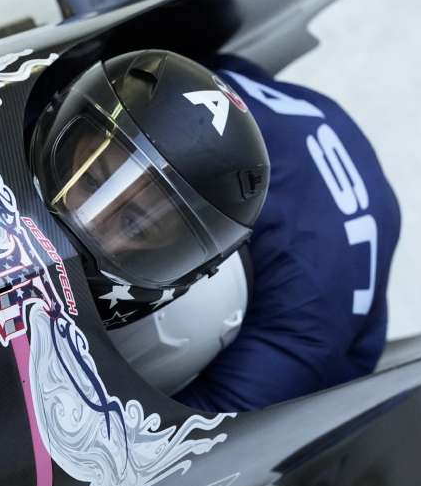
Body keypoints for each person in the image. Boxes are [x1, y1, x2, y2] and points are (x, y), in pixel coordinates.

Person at [30, 49, 401, 412]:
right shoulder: (165, 84)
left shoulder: (293, 341)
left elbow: (180, 449)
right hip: (262, 108)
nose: (91, 223)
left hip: (323, 315)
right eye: (94, 180)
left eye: (135, 223)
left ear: (173, 249)